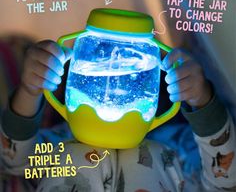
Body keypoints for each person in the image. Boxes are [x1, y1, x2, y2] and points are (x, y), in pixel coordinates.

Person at [0, 40, 235, 191]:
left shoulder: (175, 146)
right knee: (75, 155)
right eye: (100, 60)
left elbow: (225, 179)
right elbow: (13, 160)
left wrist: (201, 98)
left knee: (149, 153)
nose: (112, 80)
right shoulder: (62, 142)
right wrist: (31, 89)